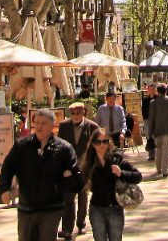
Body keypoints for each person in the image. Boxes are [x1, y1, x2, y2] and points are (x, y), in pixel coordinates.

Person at [0, 108, 81, 241]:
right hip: (27, 207)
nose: (39, 126)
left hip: (51, 208)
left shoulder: (64, 148)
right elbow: (8, 167)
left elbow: (76, 178)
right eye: (37, 122)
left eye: (43, 123)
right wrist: (4, 188)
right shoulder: (22, 145)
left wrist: (60, 186)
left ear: (52, 125)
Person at [79, 126, 141, 241]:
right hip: (96, 209)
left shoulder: (116, 159)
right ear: (93, 144)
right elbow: (79, 183)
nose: (102, 145)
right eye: (98, 142)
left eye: (105, 141)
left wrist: (121, 173)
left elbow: (138, 177)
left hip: (115, 208)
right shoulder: (89, 163)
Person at [58, 102, 98, 240]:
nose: (75, 116)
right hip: (68, 168)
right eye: (73, 113)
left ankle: (81, 222)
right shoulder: (63, 126)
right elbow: (60, 145)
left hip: (85, 168)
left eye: (78, 113)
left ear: (84, 113)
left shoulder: (92, 126)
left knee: (82, 197)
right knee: (67, 198)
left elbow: (97, 147)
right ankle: (67, 229)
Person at [146, 83, 168, 178]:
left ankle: (158, 168)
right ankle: (165, 170)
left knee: (158, 148)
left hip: (157, 129)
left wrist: (150, 131)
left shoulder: (153, 103)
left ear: (157, 91)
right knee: (166, 150)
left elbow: (151, 118)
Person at [141, 86, 156, 160]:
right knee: (149, 137)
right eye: (149, 89)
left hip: (156, 120)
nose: (151, 91)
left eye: (152, 89)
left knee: (155, 136)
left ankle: (156, 151)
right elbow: (143, 110)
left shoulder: (157, 98)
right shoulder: (145, 99)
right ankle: (151, 153)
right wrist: (145, 119)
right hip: (147, 120)